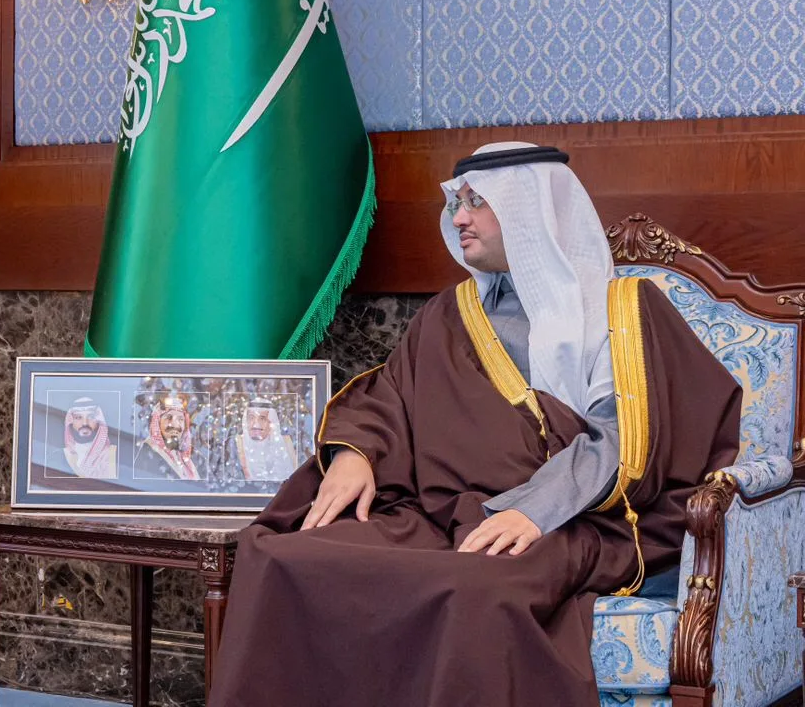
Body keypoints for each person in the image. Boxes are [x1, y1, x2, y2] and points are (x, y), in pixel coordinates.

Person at [208, 142, 740, 706]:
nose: (459, 218)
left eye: (476, 202)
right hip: (444, 511)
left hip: (572, 521)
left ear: (530, 209)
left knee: (475, 589)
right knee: (281, 554)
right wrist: (355, 453)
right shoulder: (450, 312)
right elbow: (390, 396)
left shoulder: (624, 309)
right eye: (456, 203)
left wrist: (533, 510)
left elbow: (624, 437)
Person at [132, 394, 201, 480]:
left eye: (180, 419)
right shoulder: (149, 451)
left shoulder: (185, 459)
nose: (175, 425)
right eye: (168, 417)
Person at [232, 397, 298, 482]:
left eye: (262, 418)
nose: (256, 424)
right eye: (251, 417)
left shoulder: (285, 444)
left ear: (271, 422)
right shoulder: (234, 444)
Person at [59, 397, 117, 478]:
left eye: (91, 417)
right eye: (78, 417)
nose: (85, 423)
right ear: (71, 421)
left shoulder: (110, 454)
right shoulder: (62, 454)